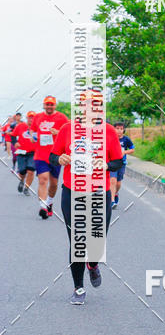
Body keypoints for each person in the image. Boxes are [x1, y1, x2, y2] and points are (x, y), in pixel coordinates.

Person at [51, 94, 123, 305]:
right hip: (72, 192)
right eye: (86, 104)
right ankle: (78, 288)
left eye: (95, 104)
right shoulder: (67, 129)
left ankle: (93, 263)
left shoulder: (108, 131)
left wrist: (106, 165)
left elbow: (118, 161)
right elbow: (53, 156)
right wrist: (60, 158)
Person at [32, 96, 68, 219]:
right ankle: (42, 206)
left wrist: (58, 133)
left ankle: (49, 202)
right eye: (47, 104)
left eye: (51, 104)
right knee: (43, 179)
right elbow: (33, 131)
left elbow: (68, 132)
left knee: (54, 183)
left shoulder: (62, 118)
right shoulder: (38, 117)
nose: (49, 106)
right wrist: (33, 137)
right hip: (40, 154)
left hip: (55, 155)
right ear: (44, 105)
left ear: (55, 105)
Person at [110, 121, 135, 208]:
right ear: (114, 129)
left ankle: (116, 193)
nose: (119, 131)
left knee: (118, 183)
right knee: (112, 180)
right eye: (117, 129)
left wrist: (124, 152)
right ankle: (112, 201)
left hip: (121, 163)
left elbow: (132, 149)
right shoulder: (111, 138)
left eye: (121, 129)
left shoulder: (126, 139)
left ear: (123, 130)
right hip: (112, 163)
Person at [12, 111, 37, 194]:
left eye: (33, 117)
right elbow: (13, 135)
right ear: (27, 118)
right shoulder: (21, 126)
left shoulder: (37, 128)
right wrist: (15, 142)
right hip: (21, 153)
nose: (31, 119)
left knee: (30, 171)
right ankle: (22, 180)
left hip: (33, 153)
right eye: (30, 117)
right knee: (22, 171)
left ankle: (26, 188)